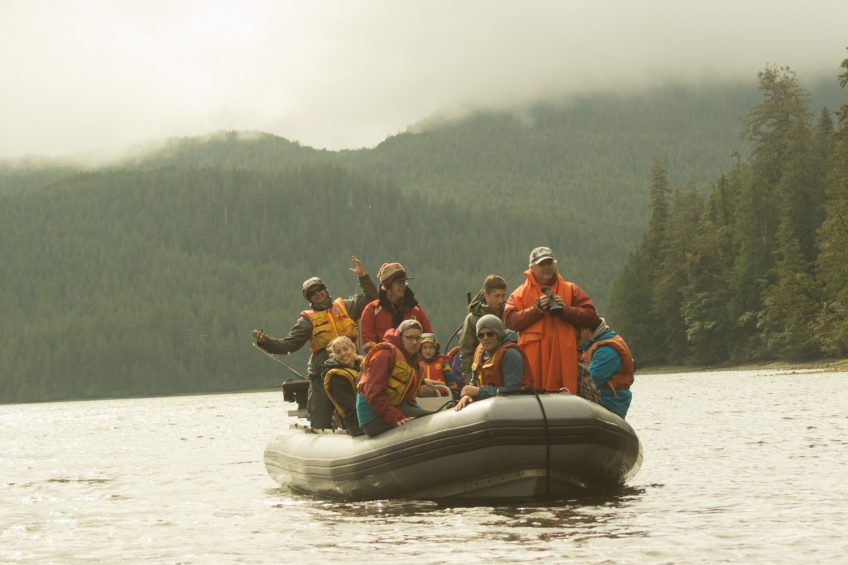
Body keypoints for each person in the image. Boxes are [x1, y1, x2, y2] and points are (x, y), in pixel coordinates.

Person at [252, 256, 377, 429]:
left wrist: (363, 276)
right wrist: (265, 342)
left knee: (367, 401)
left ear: (326, 290)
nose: (318, 294)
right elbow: (288, 345)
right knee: (320, 415)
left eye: (320, 290)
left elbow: (372, 298)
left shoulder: (345, 306)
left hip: (353, 368)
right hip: (322, 373)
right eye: (312, 293)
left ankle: (369, 429)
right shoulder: (307, 321)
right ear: (308, 298)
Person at [503, 246, 598, 396]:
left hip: (563, 363)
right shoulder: (519, 294)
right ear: (532, 268)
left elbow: (592, 316)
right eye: (542, 264)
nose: (547, 267)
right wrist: (536, 310)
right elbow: (509, 320)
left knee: (566, 403)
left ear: (554, 264)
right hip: (533, 367)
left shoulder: (571, 289)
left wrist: (565, 311)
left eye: (549, 263)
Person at [356, 320, 431, 437]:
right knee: (425, 418)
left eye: (418, 338)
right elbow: (373, 394)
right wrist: (395, 417)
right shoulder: (385, 355)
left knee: (428, 415)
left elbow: (408, 397)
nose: (414, 342)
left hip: (397, 407)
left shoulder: (413, 359)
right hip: (373, 417)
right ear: (400, 337)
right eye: (410, 338)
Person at [455, 315, 534, 411]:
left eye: (490, 334)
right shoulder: (480, 355)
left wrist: (478, 392)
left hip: (516, 408)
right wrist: (467, 395)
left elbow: (512, 392)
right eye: (481, 335)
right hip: (489, 409)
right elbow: (474, 384)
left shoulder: (510, 354)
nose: (485, 338)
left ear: (499, 334)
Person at [359, 262, 432, 352]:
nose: (403, 286)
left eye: (404, 282)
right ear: (388, 285)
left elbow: (428, 337)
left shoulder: (416, 309)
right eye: (399, 282)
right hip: (385, 362)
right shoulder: (372, 310)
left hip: (413, 364)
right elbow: (369, 344)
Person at [578, 317, 634, 419]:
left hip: (610, 404)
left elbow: (590, 382)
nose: (576, 334)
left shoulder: (607, 351)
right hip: (600, 404)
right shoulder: (593, 346)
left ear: (586, 329)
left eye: (578, 330)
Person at [458, 274, 508, 385]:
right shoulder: (472, 319)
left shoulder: (508, 314)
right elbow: (466, 353)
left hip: (506, 373)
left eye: (503, 296)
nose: (501, 300)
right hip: (482, 376)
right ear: (486, 294)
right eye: (497, 296)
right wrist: (470, 381)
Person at [321, 336, 365, 435]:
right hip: (357, 423)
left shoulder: (364, 364)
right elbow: (350, 407)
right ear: (334, 356)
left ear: (353, 348)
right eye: (338, 352)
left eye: (345, 349)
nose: (343, 353)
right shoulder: (337, 379)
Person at [418, 332, 462, 399]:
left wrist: (455, 398)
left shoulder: (443, 364)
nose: (428, 350)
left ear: (436, 349)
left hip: (441, 399)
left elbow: (452, 384)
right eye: (424, 347)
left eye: (431, 347)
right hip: (420, 400)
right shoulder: (416, 365)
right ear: (420, 350)